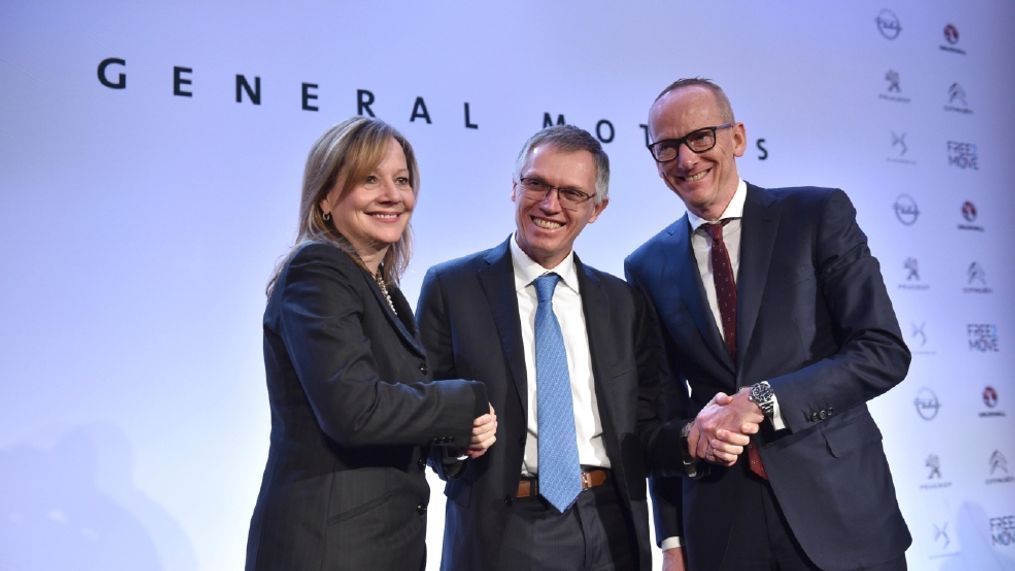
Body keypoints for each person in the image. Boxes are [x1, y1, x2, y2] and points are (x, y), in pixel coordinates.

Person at [626, 78, 912, 570]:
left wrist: (763, 400)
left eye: (701, 138)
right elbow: (662, 408)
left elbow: (881, 351)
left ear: (736, 137)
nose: (686, 159)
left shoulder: (815, 214)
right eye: (667, 147)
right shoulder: (647, 265)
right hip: (721, 523)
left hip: (840, 509)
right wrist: (671, 539)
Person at [416, 125, 684, 571]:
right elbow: (424, 408)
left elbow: (649, 417)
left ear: (597, 209)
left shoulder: (624, 301)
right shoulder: (452, 287)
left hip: (612, 519)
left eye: (572, 193)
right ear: (514, 187)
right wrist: (457, 444)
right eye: (537, 183)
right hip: (506, 525)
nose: (550, 204)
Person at [245, 117, 497, 571]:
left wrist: (455, 442)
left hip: (378, 547)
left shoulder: (384, 289)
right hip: (328, 549)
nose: (392, 195)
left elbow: (393, 413)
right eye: (369, 180)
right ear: (325, 197)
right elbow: (355, 411)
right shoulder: (317, 269)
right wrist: (466, 401)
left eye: (402, 180)